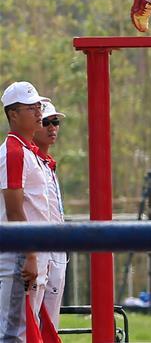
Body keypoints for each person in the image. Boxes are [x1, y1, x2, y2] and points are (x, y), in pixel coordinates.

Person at [1, 82, 55, 343]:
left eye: (38, 107)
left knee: (27, 328)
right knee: (15, 333)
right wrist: (30, 255)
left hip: (34, 254)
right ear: (13, 114)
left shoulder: (28, 151)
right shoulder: (14, 152)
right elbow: (14, 210)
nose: (38, 113)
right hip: (20, 256)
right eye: (31, 108)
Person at [32, 101, 68, 328]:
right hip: (40, 248)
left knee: (51, 320)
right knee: (32, 319)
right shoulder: (30, 162)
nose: (52, 127)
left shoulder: (47, 164)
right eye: (46, 122)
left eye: (55, 122)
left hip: (56, 248)